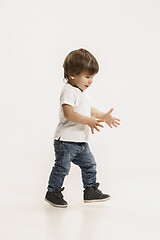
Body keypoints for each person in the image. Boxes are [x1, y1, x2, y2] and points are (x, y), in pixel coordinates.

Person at [45, 48, 120, 208]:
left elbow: (88, 109)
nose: (91, 81)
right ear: (72, 75)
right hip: (66, 141)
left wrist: (103, 116)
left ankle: (90, 190)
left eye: (92, 77)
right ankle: (53, 192)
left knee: (89, 165)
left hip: (80, 142)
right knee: (62, 167)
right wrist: (89, 121)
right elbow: (69, 114)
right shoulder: (68, 91)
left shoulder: (82, 92)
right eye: (87, 76)